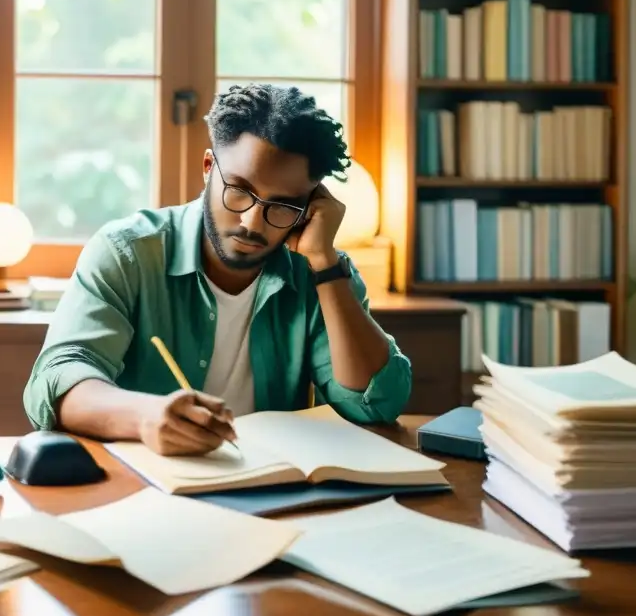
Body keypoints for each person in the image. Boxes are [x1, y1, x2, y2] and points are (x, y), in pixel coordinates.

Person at [23, 83, 411, 456]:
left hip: (273, 488)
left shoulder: (321, 272)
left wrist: (326, 266)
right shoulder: (127, 253)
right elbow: (57, 381)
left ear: (310, 207)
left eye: (282, 206)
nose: (252, 223)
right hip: (146, 486)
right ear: (209, 167)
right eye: (239, 190)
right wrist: (145, 417)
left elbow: (376, 404)